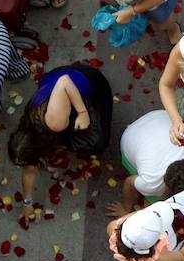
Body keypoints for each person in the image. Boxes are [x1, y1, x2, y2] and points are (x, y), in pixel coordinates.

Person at [9, 63, 114, 209]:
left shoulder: (54, 122)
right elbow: (28, 171)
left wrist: (83, 114)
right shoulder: (26, 131)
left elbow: (64, 81)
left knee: (99, 143)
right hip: (56, 78)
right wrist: (27, 203)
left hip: (89, 80)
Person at [116, 115, 184, 213]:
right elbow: (129, 182)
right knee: (157, 201)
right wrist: (126, 208)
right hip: (130, 136)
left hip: (163, 117)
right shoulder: (151, 183)